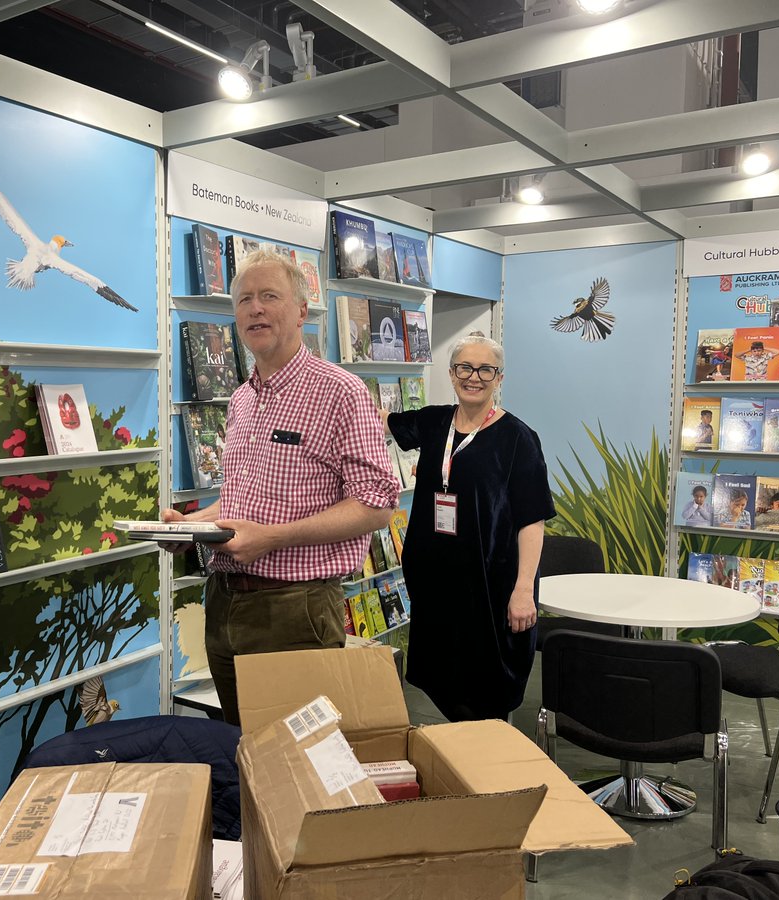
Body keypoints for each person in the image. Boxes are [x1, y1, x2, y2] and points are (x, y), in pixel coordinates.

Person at [163, 250, 399, 726]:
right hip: (225, 602)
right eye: (245, 299)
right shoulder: (242, 398)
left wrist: (273, 537)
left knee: (298, 766)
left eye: (270, 296)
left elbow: (378, 504)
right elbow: (241, 501)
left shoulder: (340, 391)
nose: (255, 309)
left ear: (301, 312)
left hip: (297, 609)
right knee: (243, 752)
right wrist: (194, 524)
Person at [382, 333, 554, 722]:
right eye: (465, 368)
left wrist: (524, 590)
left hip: (490, 592)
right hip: (437, 587)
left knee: (486, 696)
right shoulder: (433, 421)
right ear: (451, 372)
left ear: (499, 378)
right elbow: (380, 422)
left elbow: (532, 520)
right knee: (445, 686)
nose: (473, 377)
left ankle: (487, 770)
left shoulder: (519, 439)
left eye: (485, 369)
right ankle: (457, 766)